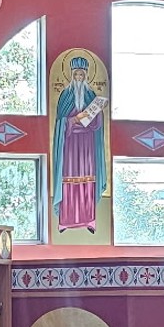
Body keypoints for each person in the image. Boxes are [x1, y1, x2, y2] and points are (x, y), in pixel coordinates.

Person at [51, 55, 107, 232]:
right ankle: (65, 221)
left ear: (86, 75)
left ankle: (89, 219)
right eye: (76, 74)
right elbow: (59, 123)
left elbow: (97, 125)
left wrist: (98, 111)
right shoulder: (65, 95)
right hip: (70, 145)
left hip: (87, 145)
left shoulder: (90, 95)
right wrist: (73, 120)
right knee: (68, 180)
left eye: (81, 75)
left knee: (88, 180)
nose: (78, 78)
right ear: (71, 75)